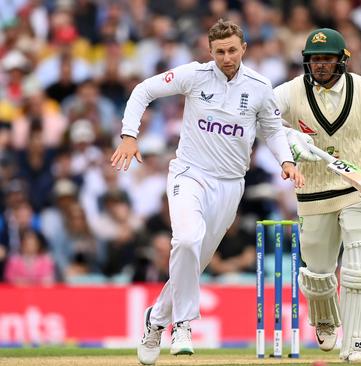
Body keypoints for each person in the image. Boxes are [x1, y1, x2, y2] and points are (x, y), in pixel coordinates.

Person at [110, 19, 305, 365]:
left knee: (194, 261)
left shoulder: (260, 86)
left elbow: (273, 130)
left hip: (230, 185)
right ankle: (182, 324)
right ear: (210, 51)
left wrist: (286, 161)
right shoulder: (195, 75)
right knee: (185, 241)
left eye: (232, 50)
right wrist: (129, 134)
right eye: (219, 52)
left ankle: (155, 320)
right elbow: (143, 90)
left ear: (243, 48)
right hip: (189, 173)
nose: (226, 57)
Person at [274, 28, 361, 362]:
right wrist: (288, 140)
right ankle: (324, 317)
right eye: (315, 59)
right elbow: (261, 119)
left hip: (360, 186)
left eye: (327, 58)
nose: (320, 65)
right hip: (314, 191)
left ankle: (360, 343)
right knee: (318, 271)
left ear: (341, 60)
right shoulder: (290, 93)